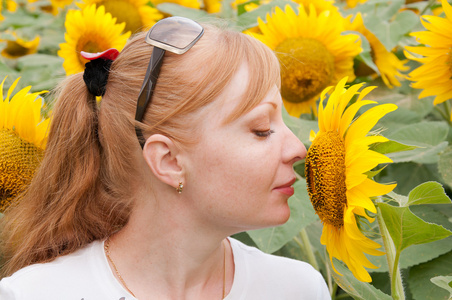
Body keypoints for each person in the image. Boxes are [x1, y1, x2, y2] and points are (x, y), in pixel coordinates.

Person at [0, 17, 330, 300]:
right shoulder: (36, 294)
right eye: (261, 129)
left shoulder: (297, 289)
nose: (297, 148)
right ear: (169, 161)